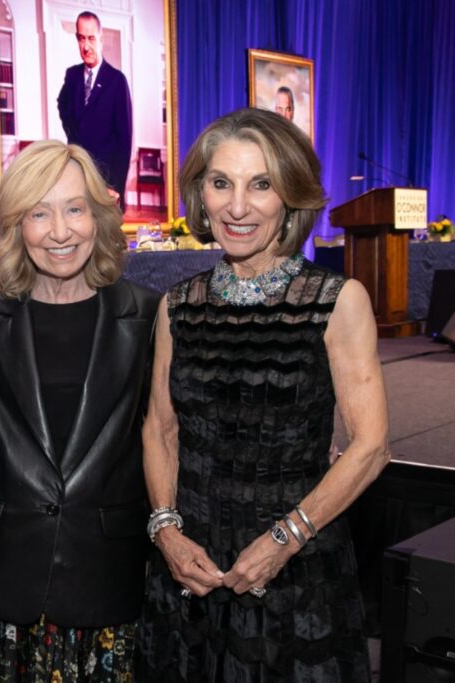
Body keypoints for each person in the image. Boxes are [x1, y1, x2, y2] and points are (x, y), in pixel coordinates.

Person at [135, 107, 389, 681]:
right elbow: (159, 429)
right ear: (201, 195)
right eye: (221, 183)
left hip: (295, 566)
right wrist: (167, 532)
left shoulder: (336, 300)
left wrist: (282, 540)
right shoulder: (178, 305)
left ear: (290, 197)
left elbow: (371, 447)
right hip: (190, 570)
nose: (237, 206)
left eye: (261, 185)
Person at [0, 140, 160, 682]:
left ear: (99, 216)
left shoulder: (146, 313)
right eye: (39, 214)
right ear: (17, 225)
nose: (61, 232)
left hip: (104, 572)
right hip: (2, 571)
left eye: (75, 209)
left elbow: (163, 434)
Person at [57, 11, 133, 208]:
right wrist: (73, 136)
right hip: (77, 176)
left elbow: (124, 141)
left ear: (101, 39)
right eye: (81, 38)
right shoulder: (72, 75)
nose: (86, 46)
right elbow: (62, 105)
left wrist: (115, 187)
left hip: (105, 182)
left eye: (91, 38)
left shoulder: (117, 81)